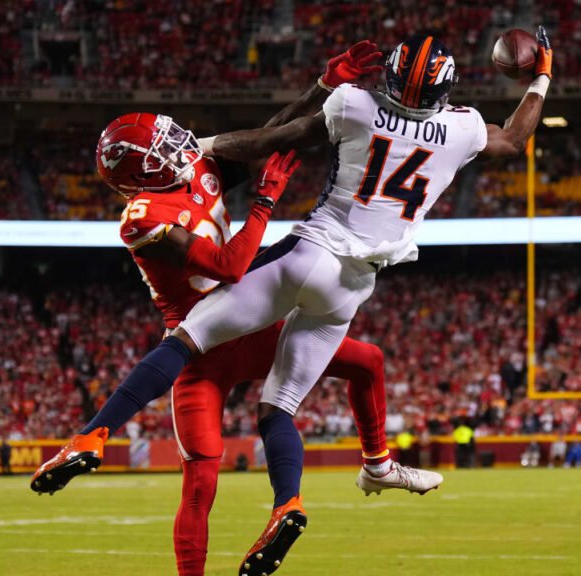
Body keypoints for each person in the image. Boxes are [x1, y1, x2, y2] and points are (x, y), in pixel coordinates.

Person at [31, 42, 438, 576]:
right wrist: (266, 203)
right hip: (212, 338)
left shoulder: (189, 175)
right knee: (209, 474)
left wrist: (320, 86)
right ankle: (305, 492)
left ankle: (355, 474)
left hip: (237, 332)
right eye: (161, 147)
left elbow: (265, 138)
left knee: (207, 476)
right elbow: (228, 266)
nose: (177, 145)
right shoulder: (144, 217)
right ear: (143, 173)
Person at [180, 29, 551, 571]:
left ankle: (95, 432)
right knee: (291, 398)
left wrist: (202, 147)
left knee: (188, 333)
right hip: (359, 278)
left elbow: (275, 139)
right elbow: (514, 138)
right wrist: (542, 76)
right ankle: (326, 485)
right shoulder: (460, 128)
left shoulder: (355, 104)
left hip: (309, 250)